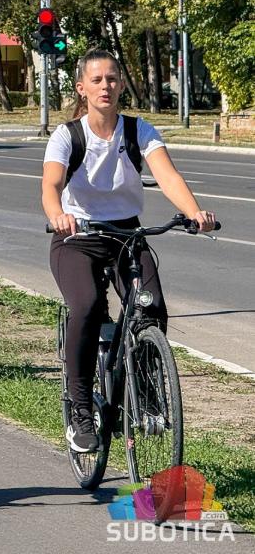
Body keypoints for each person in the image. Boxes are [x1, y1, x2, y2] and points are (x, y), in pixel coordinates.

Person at [41, 49, 217, 453]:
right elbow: (51, 185)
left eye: (113, 79)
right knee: (85, 307)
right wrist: (58, 215)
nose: (106, 86)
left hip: (126, 235)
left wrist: (193, 212)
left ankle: (150, 400)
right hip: (77, 237)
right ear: (82, 88)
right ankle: (81, 409)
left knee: (151, 307)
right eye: (97, 80)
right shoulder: (68, 135)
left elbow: (167, 174)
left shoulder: (139, 131)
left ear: (121, 84)